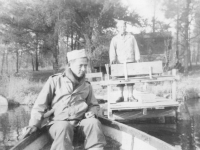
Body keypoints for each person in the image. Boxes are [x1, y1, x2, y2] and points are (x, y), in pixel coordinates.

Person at [25, 49, 106, 150]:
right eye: (80, 65)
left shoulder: (87, 85)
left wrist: (92, 112)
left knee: (94, 123)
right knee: (64, 126)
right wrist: (34, 124)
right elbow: (40, 105)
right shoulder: (55, 81)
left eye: (85, 65)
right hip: (58, 125)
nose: (84, 69)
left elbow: (93, 105)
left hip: (80, 124)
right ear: (70, 64)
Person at [109, 20, 140, 102]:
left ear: (126, 27)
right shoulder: (115, 39)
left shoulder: (131, 37)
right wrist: (112, 59)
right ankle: (121, 96)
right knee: (120, 79)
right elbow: (112, 50)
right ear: (118, 28)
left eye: (124, 26)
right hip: (120, 62)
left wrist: (137, 58)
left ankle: (130, 96)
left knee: (130, 79)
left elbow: (136, 48)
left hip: (130, 61)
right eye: (120, 27)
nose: (122, 28)